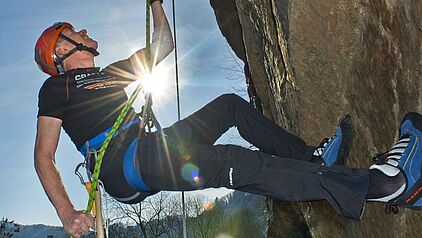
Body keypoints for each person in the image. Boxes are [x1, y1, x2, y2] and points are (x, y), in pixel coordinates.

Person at [34, 1, 422, 237]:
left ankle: (313, 162)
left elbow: (164, 46)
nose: (83, 31)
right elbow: (44, 155)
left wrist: (155, 5)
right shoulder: (56, 90)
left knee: (228, 107)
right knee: (231, 162)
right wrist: (66, 213)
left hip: (151, 145)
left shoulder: (112, 71)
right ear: (61, 51)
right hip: (126, 163)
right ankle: (386, 185)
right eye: (72, 32)